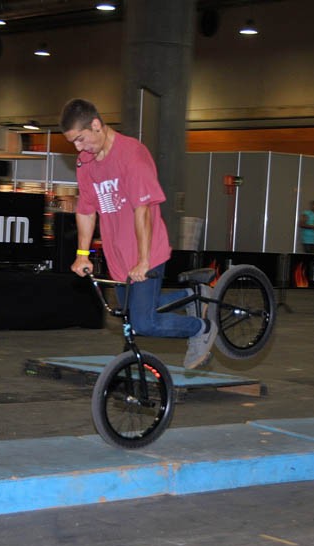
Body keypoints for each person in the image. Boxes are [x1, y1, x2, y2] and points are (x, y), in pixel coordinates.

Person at [61, 98, 217, 369]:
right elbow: (86, 210)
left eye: (80, 139)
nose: (78, 148)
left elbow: (142, 211)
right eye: (73, 142)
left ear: (96, 125)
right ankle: (193, 294)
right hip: (118, 256)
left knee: (144, 322)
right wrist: (82, 254)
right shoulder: (85, 162)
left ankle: (201, 328)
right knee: (132, 312)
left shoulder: (132, 154)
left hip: (147, 251)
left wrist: (143, 261)